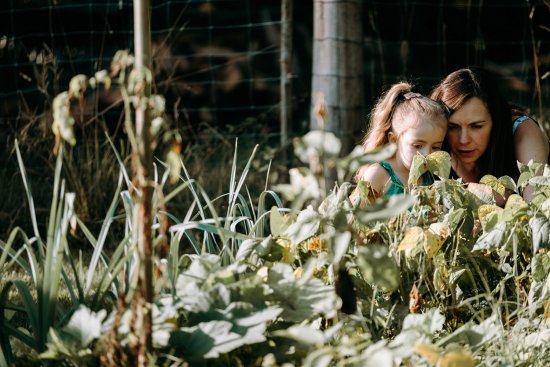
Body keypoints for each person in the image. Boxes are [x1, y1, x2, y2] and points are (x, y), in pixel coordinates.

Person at [430, 67, 549, 185]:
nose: (464, 140)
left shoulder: (524, 131)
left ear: (496, 119)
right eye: (453, 127)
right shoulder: (432, 138)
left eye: (476, 126)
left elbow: (533, 199)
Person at [353, 82, 448, 198]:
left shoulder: (430, 179)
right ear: (394, 140)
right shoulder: (377, 175)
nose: (427, 155)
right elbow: (353, 213)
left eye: (436, 147)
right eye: (418, 146)